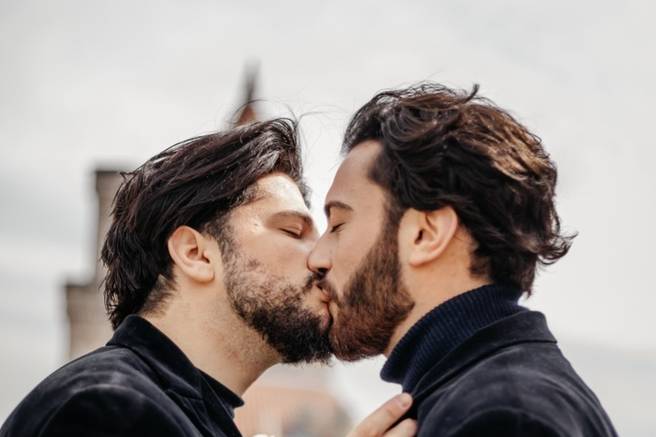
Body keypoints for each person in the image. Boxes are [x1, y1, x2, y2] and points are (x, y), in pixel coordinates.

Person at [0, 119, 416, 437]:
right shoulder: (113, 410)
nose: (323, 257)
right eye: (292, 232)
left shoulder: (172, 408)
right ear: (196, 254)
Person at [308, 84, 618, 436]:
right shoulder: (489, 393)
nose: (316, 258)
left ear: (425, 234)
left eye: (338, 224)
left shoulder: (501, 418)